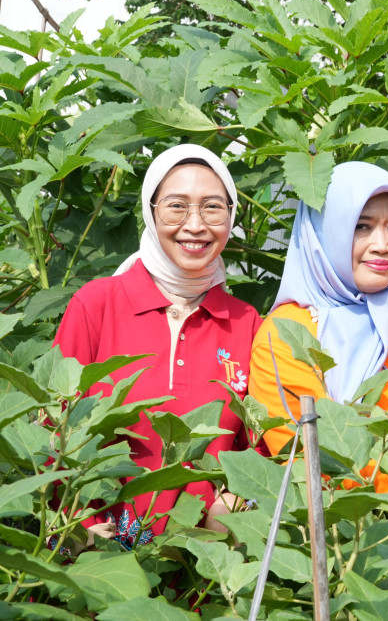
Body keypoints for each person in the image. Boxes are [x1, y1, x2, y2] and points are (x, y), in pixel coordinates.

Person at [54, 144, 262, 549]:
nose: (195, 225)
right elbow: (54, 428)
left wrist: (236, 505)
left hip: (204, 564)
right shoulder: (97, 305)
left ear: (231, 214)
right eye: (176, 207)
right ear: (151, 212)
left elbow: (257, 447)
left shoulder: (245, 322)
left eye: (213, 208)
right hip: (97, 556)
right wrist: (77, 528)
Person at [248, 162, 388, 490]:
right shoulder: (288, 334)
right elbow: (312, 462)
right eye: (362, 226)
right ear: (325, 230)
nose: (382, 245)